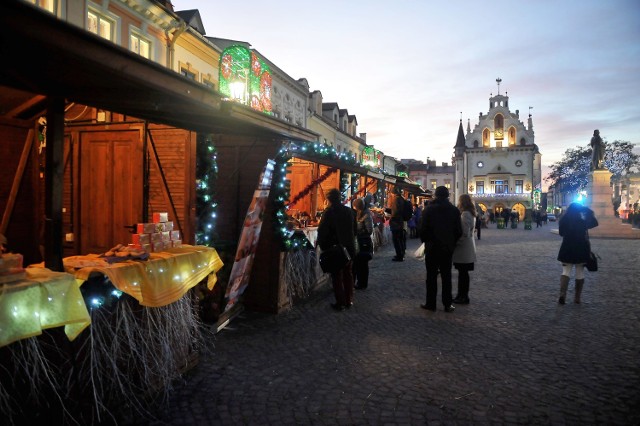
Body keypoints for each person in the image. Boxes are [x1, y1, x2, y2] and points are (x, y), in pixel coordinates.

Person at [419, 186, 462, 312]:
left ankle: (431, 303)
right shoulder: (454, 210)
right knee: (446, 276)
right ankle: (447, 304)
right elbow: (458, 230)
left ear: (436, 195)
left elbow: (423, 229)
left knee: (431, 276)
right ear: (448, 195)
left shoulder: (429, 210)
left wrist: (426, 241)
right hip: (447, 248)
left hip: (432, 247)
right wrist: (452, 242)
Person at [317, 188, 357, 311]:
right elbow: (354, 229)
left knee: (337, 276)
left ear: (329, 199)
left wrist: (323, 246)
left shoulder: (329, 212)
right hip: (349, 247)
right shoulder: (349, 211)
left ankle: (340, 302)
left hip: (336, 249)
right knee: (348, 274)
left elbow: (322, 231)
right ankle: (349, 300)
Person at [556, 202, 598, 304]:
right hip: (581, 248)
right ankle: (577, 298)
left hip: (567, 248)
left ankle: (562, 295)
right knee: (580, 272)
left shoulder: (564, 220)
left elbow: (561, 233)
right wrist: (587, 210)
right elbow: (594, 223)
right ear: (579, 210)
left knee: (566, 271)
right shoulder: (582, 221)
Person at [452, 194, 477, 304]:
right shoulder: (471, 213)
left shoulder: (466, 214)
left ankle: (463, 296)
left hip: (464, 248)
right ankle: (462, 295)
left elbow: (464, 232)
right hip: (467, 247)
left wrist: (455, 243)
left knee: (463, 274)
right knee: (463, 273)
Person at [352, 197, 374, 290]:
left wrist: (358, 232)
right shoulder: (358, 214)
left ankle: (362, 284)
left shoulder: (366, 214)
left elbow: (369, 230)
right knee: (357, 263)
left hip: (363, 242)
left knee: (363, 264)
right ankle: (357, 282)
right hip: (358, 242)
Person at [389, 188, 407, 261]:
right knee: (400, 239)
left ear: (393, 193)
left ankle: (399, 256)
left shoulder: (396, 200)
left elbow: (395, 212)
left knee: (396, 239)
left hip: (396, 223)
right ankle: (402, 254)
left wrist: (390, 215)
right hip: (400, 222)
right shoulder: (401, 198)